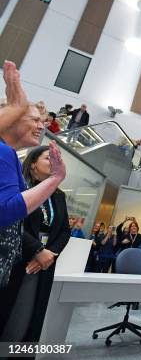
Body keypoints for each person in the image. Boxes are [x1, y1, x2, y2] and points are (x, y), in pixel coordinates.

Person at [0, 146, 71, 358]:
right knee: (10, 318)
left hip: (45, 264)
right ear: (33, 163)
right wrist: (37, 250)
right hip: (19, 260)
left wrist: (49, 254)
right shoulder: (19, 187)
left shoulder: (58, 196)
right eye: (48, 158)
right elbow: (12, 223)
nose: (54, 162)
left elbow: (65, 230)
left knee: (30, 320)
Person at [0, 61, 66, 288]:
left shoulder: (10, 158)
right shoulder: (4, 153)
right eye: (35, 120)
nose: (41, 126)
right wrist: (56, 178)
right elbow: (7, 210)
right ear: (14, 119)